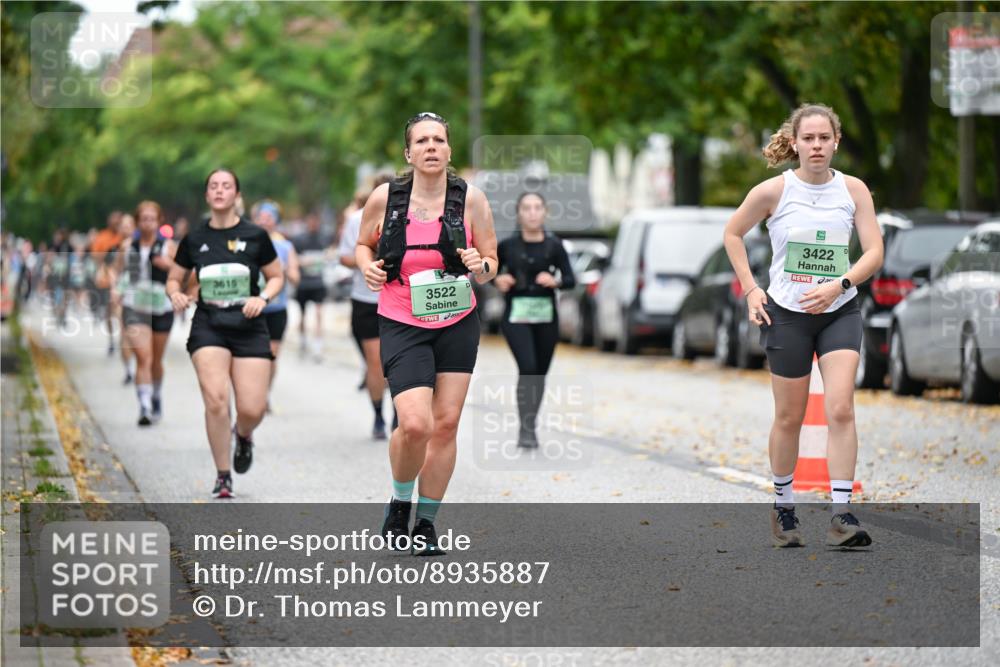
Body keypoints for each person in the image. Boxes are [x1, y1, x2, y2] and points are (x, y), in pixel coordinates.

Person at [722, 103, 883, 548]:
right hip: (787, 315)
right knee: (790, 416)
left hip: (839, 312)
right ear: (795, 143)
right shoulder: (774, 191)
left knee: (841, 408)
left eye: (823, 138)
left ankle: (841, 514)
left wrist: (841, 284)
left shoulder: (854, 190)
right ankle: (784, 507)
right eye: (808, 139)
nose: (816, 146)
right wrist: (752, 290)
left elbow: (873, 252)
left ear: (836, 141)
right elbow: (732, 233)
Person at [357, 112, 498, 555]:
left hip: (457, 320)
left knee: (447, 423)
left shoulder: (471, 200)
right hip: (401, 318)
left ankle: (426, 523)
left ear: (450, 151)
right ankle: (400, 501)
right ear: (409, 153)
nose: (431, 147)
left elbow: (492, 262)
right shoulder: (387, 198)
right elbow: (363, 244)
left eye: (439, 140)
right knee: (416, 423)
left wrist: (483, 267)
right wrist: (367, 267)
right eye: (422, 141)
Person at [166, 169, 283, 499]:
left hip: (249, 326)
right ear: (207, 196)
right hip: (209, 326)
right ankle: (223, 475)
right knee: (216, 399)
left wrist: (263, 298)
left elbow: (276, 277)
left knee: (252, 409)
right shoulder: (194, 239)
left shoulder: (256, 235)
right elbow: (175, 279)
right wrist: (175, 293)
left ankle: (243, 434)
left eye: (226, 186)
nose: (219, 191)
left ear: (236, 194)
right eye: (213, 186)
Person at [495, 192, 576, 449]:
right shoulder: (507, 246)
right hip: (516, 315)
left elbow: (571, 279)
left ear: (545, 212)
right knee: (528, 367)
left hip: (545, 316)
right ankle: (525, 428)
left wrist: (556, 281)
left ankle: (530, 424)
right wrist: (499, 279)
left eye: (537, 207)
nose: (532, 212)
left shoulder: (554, 245)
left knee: (539, 373)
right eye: (526, 208)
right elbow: (487, 272)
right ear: (519, 213)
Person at [340, 173, 396, 439]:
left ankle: (399, 415)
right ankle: (377, 416)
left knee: (398, 363)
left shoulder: (408, 215)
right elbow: (345, 256)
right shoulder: (356, 219)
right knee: (375, 364)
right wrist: (368, 261)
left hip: (400, 299)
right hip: (367, 299)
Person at [116, 201, 176, 425]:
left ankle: (156, 395)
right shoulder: (127, 246)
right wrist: (115, 289)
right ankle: (144, 406)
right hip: (134, 305)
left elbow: (183, 275)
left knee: (155, 361)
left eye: (152, 218)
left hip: (161, 307)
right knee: (143, 357)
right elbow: (117, 273)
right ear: (137, 221)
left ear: (159, 221)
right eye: (144, 219)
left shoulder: (168, 246)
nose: (148, 223)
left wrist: (167, 265)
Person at [252, 200, 300, 411]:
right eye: (260, 218)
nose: (264, 221)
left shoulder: (285, 246)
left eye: (269, 218)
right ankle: (252, 394)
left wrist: (283, 270)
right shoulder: (247, 243)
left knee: (271, 356)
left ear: (276, 222)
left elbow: (296, 278)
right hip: (252, 308)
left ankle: (264, 394)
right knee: (254, 357)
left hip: (277, 309)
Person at [293, 212, 332, 361]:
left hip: (318, 282)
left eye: (316, 222)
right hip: (303, 283)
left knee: (319, 313)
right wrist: (303, 261)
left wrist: (326, 256)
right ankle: (303, 341)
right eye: (311, 221)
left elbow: (329, 252)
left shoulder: (323, 238)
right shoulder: (299, 239)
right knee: (302, 315)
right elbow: (293, 258)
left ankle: (318, 347)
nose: (313, 224)